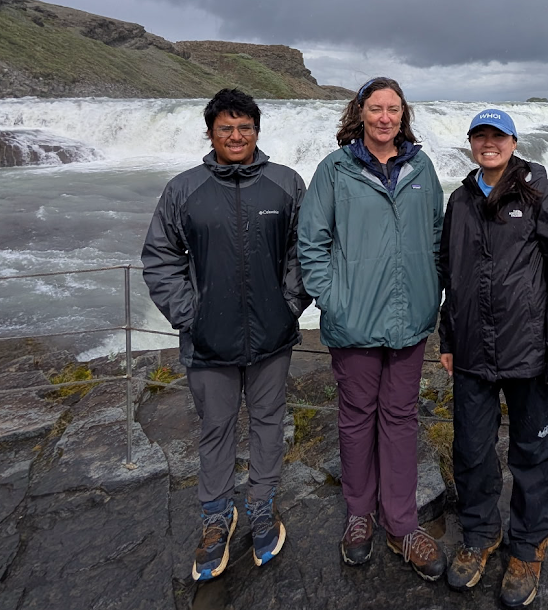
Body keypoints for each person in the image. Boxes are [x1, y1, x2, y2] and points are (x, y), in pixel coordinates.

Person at [142, 88, 309, 582]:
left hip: (271, 338)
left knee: (267, 423)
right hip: (207, 341)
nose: (236, 136)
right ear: (211, 131)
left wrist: (290, 305)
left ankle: (262, 507)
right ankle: (216, 517)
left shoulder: (286, 184)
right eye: (225, 128)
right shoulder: (183, 189)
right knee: (215, 429)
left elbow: (304, 251)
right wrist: (189, 316)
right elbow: (160, 257)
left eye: (245, 127)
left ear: (257, 130)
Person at [297, 77, 447, 581]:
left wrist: (433, 295)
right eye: (376, 108)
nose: (385, 118)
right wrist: (331, 299)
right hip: (353, 318)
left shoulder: (421, 168)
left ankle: (401, 524)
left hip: (411, 321)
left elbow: (436, 237)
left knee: (400, 417)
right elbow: (311, 242)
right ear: (360, 112)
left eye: (394, 110)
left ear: (404, 116)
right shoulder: (335, 170)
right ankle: (359, 516)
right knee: (357, 416)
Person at [437, 108, 548, 610]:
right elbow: (449, 278)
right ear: (472, 144)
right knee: (472, 450)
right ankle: (480, 535)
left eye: (497, 136)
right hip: (474, 351)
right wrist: (448, 339)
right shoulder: (458, 201)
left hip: (529, 355)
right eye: (480, 136)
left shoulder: (541, 196)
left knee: (532, 454)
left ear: (513, 142)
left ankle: (527, 546)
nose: (488, 143)